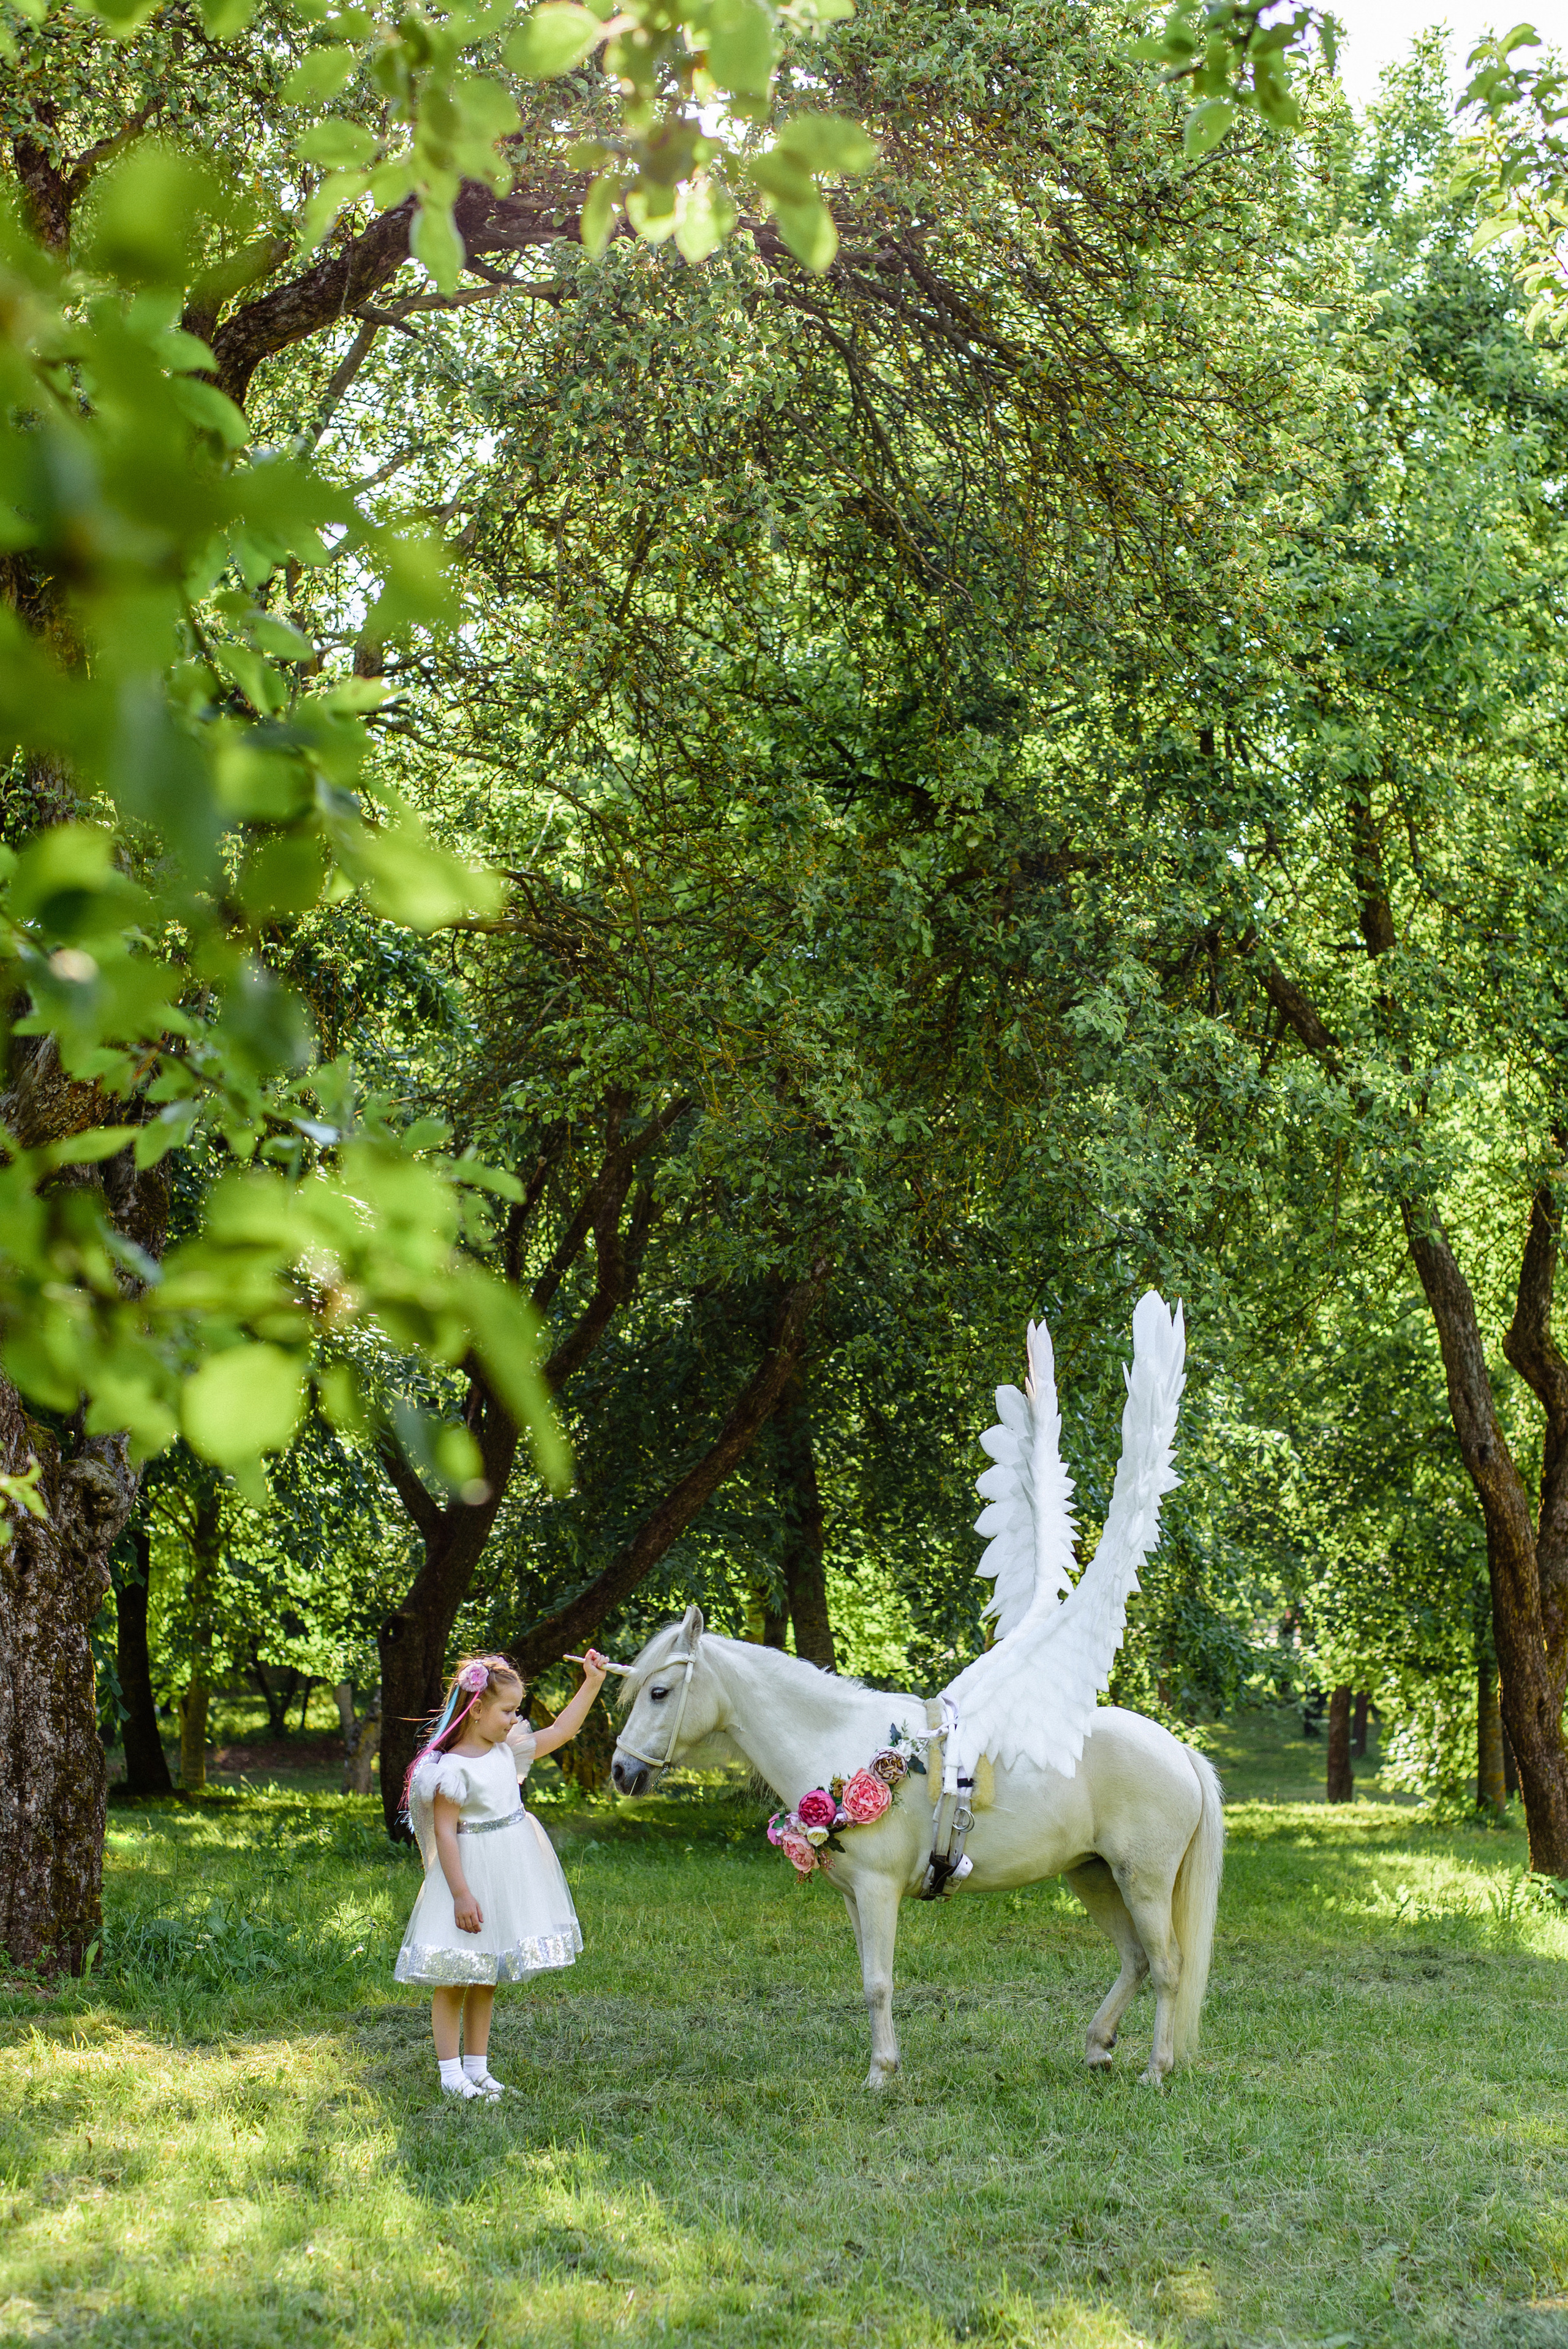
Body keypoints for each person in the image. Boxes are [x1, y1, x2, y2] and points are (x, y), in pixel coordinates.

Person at [394, 1647, 610, 2101]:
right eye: (508, 1711)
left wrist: (591, 1682)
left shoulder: (507, 1750)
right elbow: (447, 1835)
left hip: (508, 1870)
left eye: (517, 1711)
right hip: (469, 1876)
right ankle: (450, 2072)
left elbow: (563, 1731)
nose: (515, 1720)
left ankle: (478, 2067)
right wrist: (460, 1895)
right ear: (475, 1711)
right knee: (455, 1974)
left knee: (487, 1973)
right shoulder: (450, 1769)